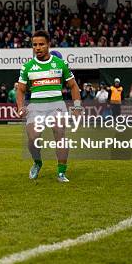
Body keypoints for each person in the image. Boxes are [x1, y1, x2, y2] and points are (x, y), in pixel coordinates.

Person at [15, 30, 81, 183]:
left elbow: (73, 86)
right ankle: (37, 162)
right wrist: (20, 107)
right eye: (35, 45)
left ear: (48, 45)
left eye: (41, 44)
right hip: (36, 107)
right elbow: (21, 90)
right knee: (33, 138)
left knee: (60, 135)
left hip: (56, 105)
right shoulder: (27, 67)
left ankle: (61, 172)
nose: (37, 48)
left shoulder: (60, 63)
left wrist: (77, 107)